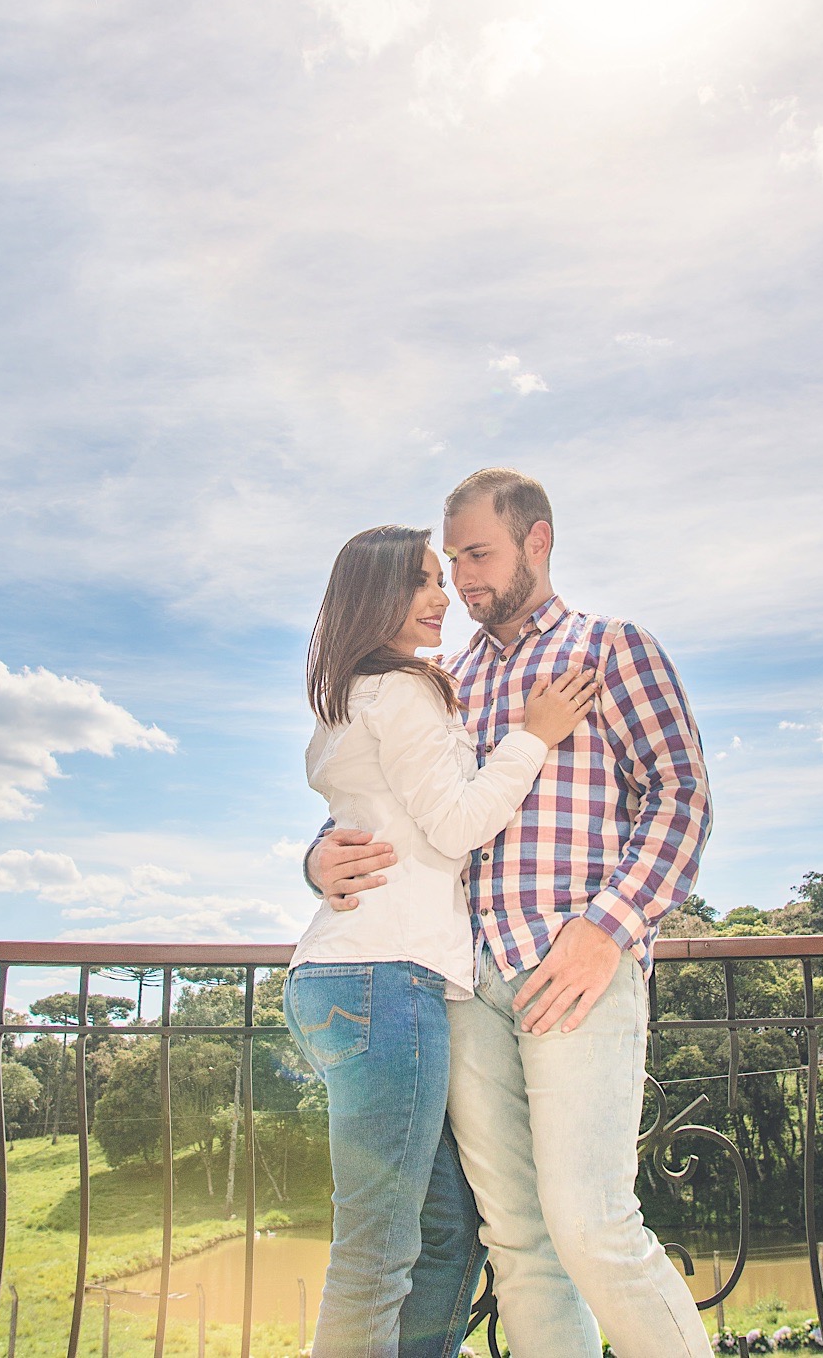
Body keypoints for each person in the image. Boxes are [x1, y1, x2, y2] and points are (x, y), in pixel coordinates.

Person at [308, 469, 712, 1358]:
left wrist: (609, 926)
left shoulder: (612, 648)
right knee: (519, 1242)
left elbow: (681, 798)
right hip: (460, 983)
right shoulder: (438, 679)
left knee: (593, 1226)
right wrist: (315, 857)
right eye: (451, 560)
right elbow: (385, 801)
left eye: (479, 554)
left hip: (571, 970)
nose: (462, 580)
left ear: (539, 540)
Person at [284, 522, 597, 1358]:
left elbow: (361, 820)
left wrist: (312, 862)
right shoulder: (406, 691)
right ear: (372, 596)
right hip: (386, 980)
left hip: (348, 977)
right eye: (421, 581)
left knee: (447, 1221)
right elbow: (456, 825)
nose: (441, 596)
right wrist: (535, 734)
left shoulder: (352, 694)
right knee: (378, 1250)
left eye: (442, 576)